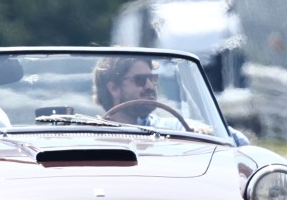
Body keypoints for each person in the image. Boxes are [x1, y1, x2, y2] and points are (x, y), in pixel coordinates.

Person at [92, 55, 248, 144]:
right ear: (113, 88)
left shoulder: (170, 128)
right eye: (140, 80)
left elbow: (239, 140)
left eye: (152, 78)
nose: (149, 86)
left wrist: (207, 133)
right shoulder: (89, 135)